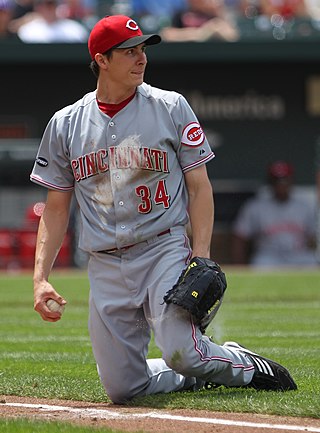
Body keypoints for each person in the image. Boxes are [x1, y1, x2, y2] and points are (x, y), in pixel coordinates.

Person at [30, 14, 296, 404]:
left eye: (142, 50)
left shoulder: (170, 106)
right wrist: (40, 279)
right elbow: (55, 209)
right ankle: (193, 376)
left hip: (162, 249)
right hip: (104, 263)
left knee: (181, 351)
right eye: (129, 52)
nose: (141, 59)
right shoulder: (66, 123)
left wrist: (201, 257)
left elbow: (199, 187)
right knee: (124, 389)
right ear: (101, 60)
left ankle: (244, 365)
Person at [232, 161, 318, 267]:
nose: (281, 185)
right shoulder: (255, 207)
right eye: (277, 181)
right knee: (260, 264)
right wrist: (239, 267)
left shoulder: (304, 207)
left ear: (291, 181)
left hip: (298, 255)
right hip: (268, 256)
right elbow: (240, 237)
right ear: (270, 182)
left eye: (285, 180)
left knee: (312, 263)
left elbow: (314, 237)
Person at [160, 0, 239, 42]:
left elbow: (232, 36)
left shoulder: (214, 15)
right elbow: (167, 35)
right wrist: (204, 33)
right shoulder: (182, 15)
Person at [15, 0, 89, 43]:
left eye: (50, 3)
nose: (46, 8)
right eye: (41, 4)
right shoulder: (27, 30)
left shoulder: (75, 29)